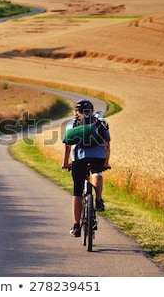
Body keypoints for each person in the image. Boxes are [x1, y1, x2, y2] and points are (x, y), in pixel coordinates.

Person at [62, 99, 111, 237]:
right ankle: (99, 199)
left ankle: (76, 226)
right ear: (92, 110)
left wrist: (66, 163)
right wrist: (106, 162)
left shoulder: (72, 123)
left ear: (76, 111)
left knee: (77, 191)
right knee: (97, 172)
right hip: (99, 156)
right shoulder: (100, 121)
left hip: (79, 158)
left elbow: (67, 146)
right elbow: (107, 145)